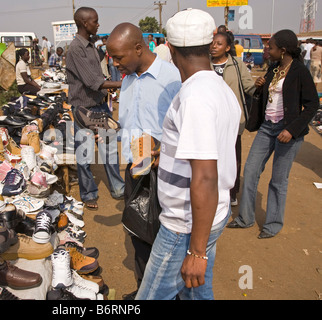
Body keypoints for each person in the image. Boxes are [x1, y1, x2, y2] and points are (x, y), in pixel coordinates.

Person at [135, 8, 241, 300]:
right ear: (210, 44)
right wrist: (166, 154)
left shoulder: (195, 97)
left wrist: (196, 251)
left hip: (185, 224)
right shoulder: (217, 87)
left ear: (169, 48)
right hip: (210, 213)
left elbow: (205, 176)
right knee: (196, 292)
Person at [107, 22, 181, 300]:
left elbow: (183, 130)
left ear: (139, 48)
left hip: (163, 174)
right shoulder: (127, 79)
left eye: (118, 57)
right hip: (135, 169)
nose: (115, 64)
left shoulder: (172, 79)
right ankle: (145, 291)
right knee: (137, 233)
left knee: (164, 237)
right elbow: (129, 124)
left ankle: (168, 293)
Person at [227, 29, 319, 239]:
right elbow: (267, 96)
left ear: (283, 50)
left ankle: (273, 224)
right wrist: (260, 87)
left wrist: (292, 129)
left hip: (288, 132)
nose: (267, 50)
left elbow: (312, 105)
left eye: (271, 47)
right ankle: (245, 218)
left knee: (278, 180)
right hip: (268, 128)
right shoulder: (274, 68)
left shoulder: (299, 71)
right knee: (250, 171)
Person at [65, 7, 125, 210]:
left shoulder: (92, 46)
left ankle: (118, 188)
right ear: (84, 23)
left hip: (100, 106)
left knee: (109, 151)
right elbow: (93, 81)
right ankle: (89, 193)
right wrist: (123, 84)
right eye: (95, 21)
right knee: (85, 154)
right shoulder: (76, 49)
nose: (98, 24)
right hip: (84, 109)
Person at [210, 32, 256, 206]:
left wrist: (259, 88)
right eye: (212, 43)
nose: (214, 46)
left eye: (219, 44)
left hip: (233, 121)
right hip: (210, 120)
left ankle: (231, 193)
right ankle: (212, 190)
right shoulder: (204, 64)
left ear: (228, 48)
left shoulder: (236, 64)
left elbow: (249, 87)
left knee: (232, 157)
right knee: (211, 157)